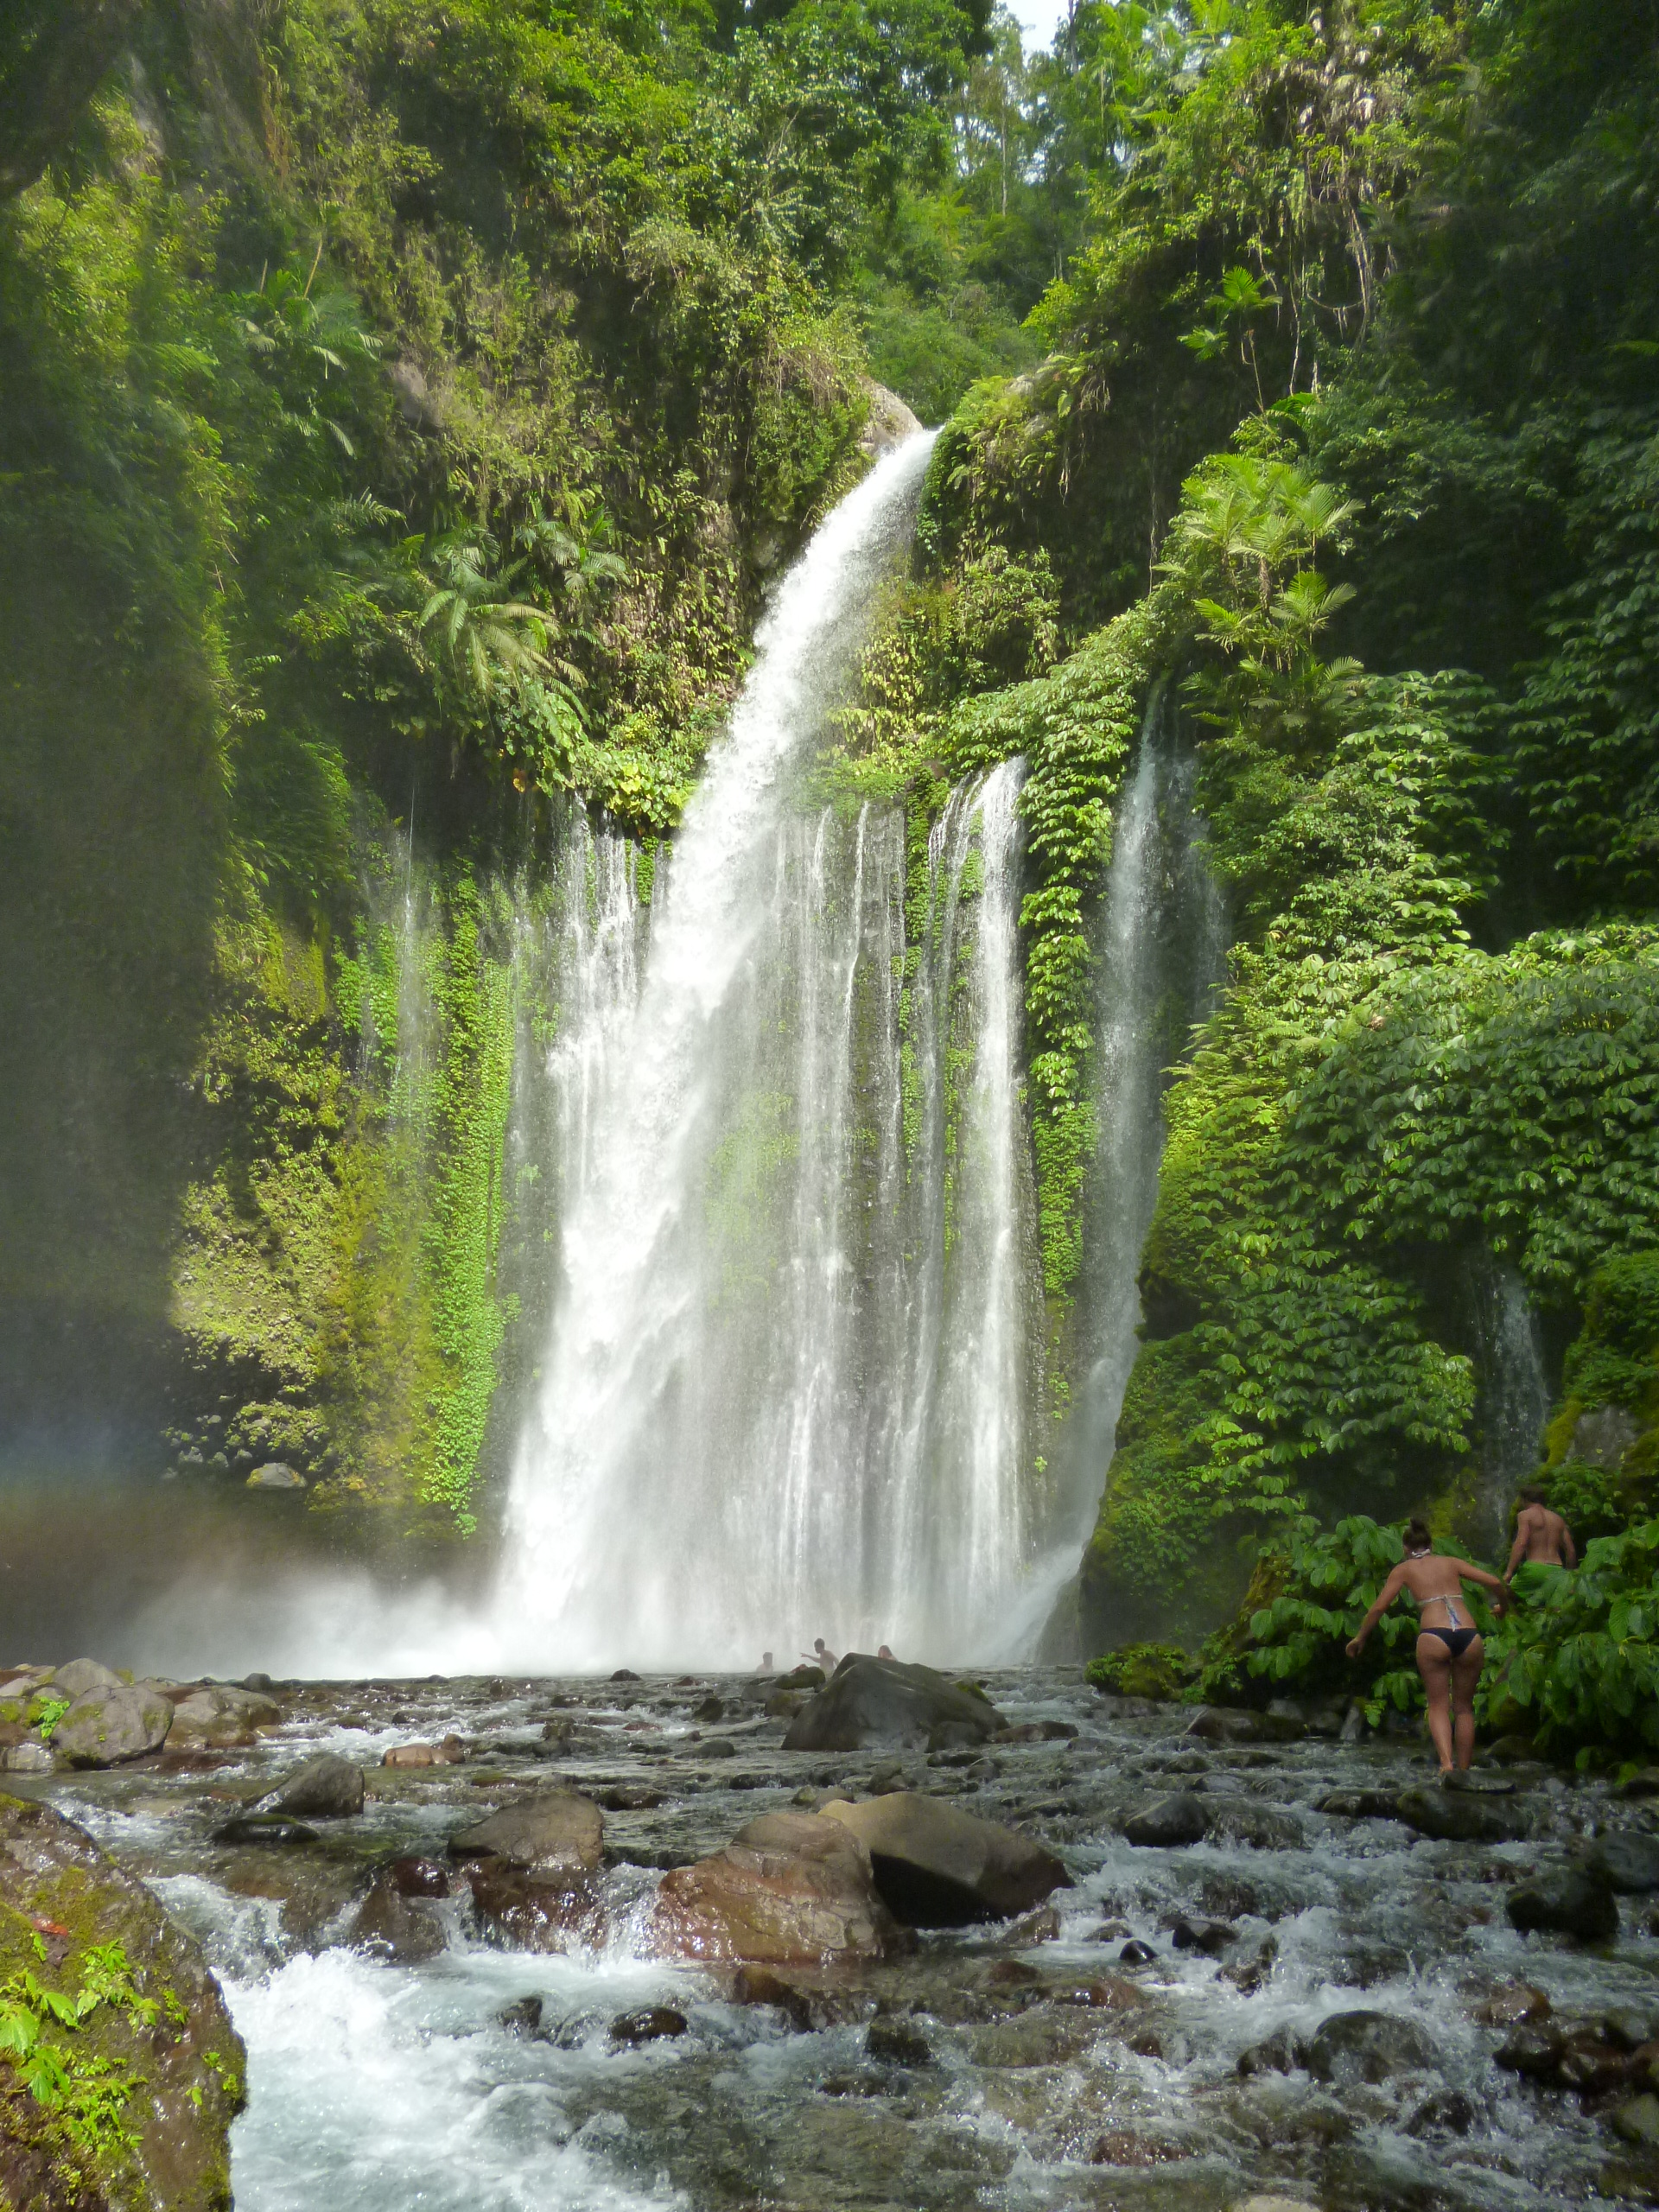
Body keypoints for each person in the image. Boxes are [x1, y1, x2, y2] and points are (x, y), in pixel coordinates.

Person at [1345, 1518, 1510, 1777]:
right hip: (1468, 1635)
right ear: (1431, 1544)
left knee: (1438, 1705)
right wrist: (1503, 1608)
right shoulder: (1451, 1562)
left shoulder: (1403, 1570)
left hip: (1435, 1635)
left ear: (1405, 1548)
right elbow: (1496, 1583)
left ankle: (1447, 1766)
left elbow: (1379, 1607)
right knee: (1464, 1708)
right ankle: (1465, 1771)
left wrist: (1360, 1637)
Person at [1504, 1485, 1576, 1602]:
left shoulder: (1525, 1515)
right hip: (1557, 1571)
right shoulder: (1558, 1519)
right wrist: (1569, 1575)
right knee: (1553, 1607)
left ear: (1524, 1499)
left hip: (1534, 1569)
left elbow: (1521, 1543)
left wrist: (1509, 1572)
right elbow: (1571, 1550)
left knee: (1505, 1596)